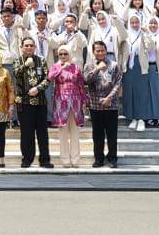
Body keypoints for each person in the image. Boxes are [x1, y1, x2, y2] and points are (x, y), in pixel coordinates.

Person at [13, 36, 53, 168]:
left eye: (31, 45)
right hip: (24, 102)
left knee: (42, 132)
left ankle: (45, 159)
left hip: (40, 101)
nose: (29, 48)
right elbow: (16, 75)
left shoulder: (41, 60)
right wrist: (25, 65)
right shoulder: (18, 61)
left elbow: (48, 78)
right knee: (26, 132)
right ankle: (27, 159)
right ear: (22, 47)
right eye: (26, 46)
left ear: (35, 47)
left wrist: (38, 88)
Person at [47, 47, 88, 168]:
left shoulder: (75, 67)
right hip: (61, 101)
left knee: (75, 132)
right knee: (63, 132)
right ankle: (65, 160)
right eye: (60, 54)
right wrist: (61, 68)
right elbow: (49, 78)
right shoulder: (55, 66)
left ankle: (75, 159)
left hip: (75, 101)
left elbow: (81, 84)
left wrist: (84, 100)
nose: (63, 56)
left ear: (69, 54)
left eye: (65, 54)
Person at [84, 40, 122, 168]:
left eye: (102, 50)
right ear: (94, 52)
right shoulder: (89, 65)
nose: (100, 53)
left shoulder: (114, 65)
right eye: (97, 51)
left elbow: (117, 83)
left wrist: (109, 98)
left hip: (111, 105)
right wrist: (96, 69)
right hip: (95, 105)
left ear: (106, 51)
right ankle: (98, 158)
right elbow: (86, 81)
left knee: (112, 133)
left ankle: (112, 158)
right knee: (97, 134)